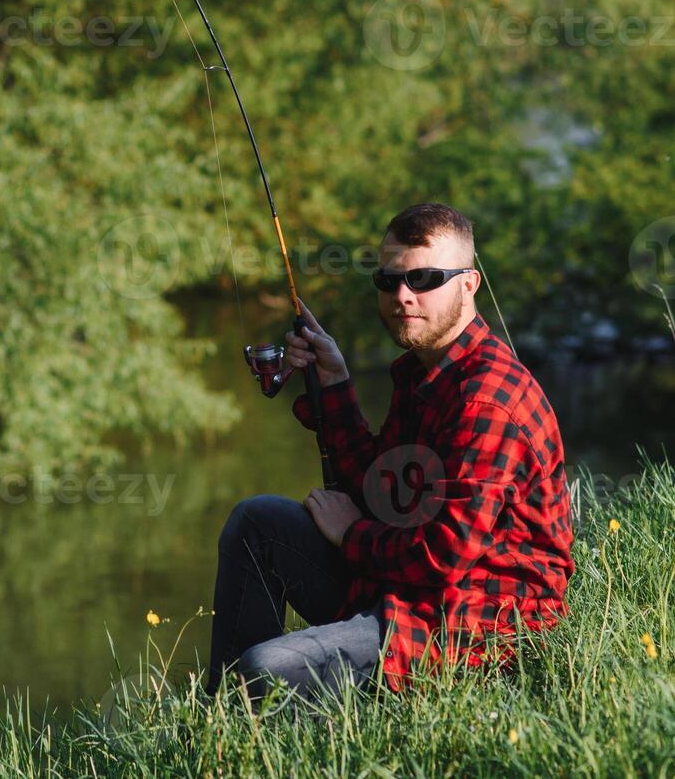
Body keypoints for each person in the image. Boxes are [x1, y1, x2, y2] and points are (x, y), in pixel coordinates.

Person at [206, 202, 575, 701]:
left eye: (425, 278)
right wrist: (333, 379)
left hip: (477, 623)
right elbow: (383, 490)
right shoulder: (425, 369)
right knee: (258, 523)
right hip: (411, 588)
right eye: (390, 280)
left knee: (265, 670)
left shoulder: (488, 399)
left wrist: (350, 535)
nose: (403, 296)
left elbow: (443, 557)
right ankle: (224, 722)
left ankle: (256, 716)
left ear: (469, 284)